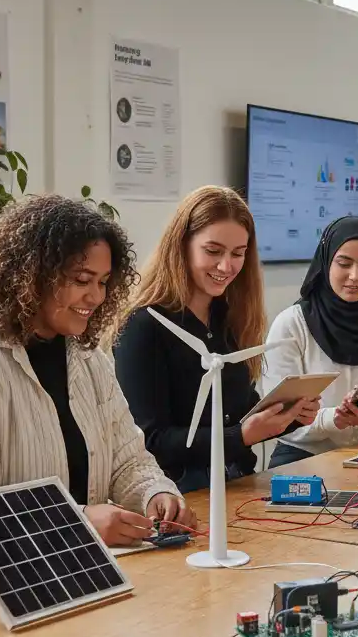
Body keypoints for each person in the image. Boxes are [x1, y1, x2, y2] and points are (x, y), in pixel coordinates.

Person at [0, 195, 194, 570]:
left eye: (103, 282)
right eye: (82, 280)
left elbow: (126, 459)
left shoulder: (87, 358)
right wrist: (80, 522)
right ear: (31, 277)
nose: (96, 297)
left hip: (57, 565)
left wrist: (154, 494)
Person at [114, 186, 318, 492]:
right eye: (213, 251)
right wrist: (242, 436)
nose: (226, 266)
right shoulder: (143, 326)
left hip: (238, 485)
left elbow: (239, 413)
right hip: (177, 496)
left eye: (238, 254)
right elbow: (150, 441)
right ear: (181, 245)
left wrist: (289, 416)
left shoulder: (233, 319)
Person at [264, 216, 358, 466]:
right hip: (305, 456)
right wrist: (331, 419)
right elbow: (276, 418)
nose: (355, 276)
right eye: (344, 264)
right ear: (326, 263)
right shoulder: (291, 325)